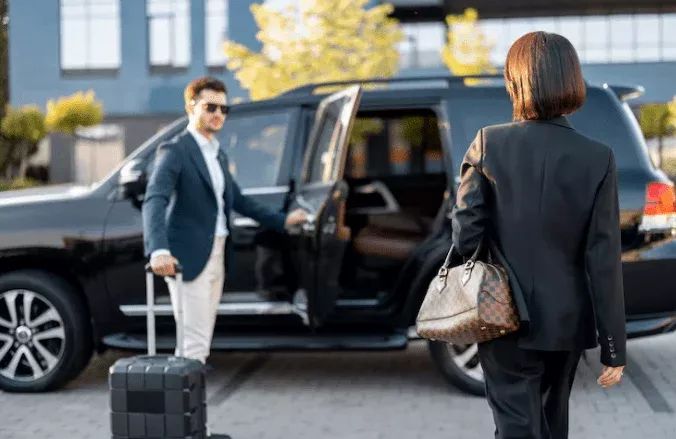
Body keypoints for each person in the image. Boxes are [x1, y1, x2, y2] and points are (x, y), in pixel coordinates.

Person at [451, 32, 626, 439]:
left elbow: (465, 238)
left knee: (515, 425)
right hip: (568, 320)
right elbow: (604, 259)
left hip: (501, 315)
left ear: (516, 81)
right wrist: (613, 347)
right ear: (571, 79)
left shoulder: (488, 143)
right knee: (552, 423)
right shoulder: (598, 156)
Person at [143, 76, 308, 364]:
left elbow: (240, 201)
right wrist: (158, 250)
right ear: (191, 106)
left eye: (223, 109)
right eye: (210, 107)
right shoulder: (176, 150)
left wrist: (283, 221)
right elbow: (155, 199)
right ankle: (188, 391)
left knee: (200, 337)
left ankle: (187, 389)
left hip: (218, 253)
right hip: (189, 257)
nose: (218, 114)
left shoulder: (217, 154)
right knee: (194, 340)